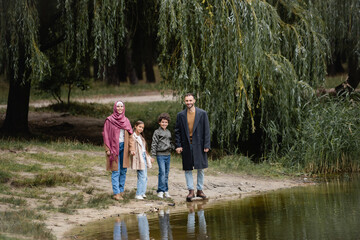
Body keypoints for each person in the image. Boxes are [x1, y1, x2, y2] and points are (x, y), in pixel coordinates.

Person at [175, 93, 210, 201]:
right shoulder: (180, 115)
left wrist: (206, 145)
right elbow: (177, 131)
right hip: (186, 144)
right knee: (188, 168)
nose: (188, 102)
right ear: (184, 102)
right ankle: (191, 191)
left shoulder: (202, 113)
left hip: (199, 144)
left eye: (190, 100)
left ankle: (200, 190)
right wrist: (178, 145)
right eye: (186, 101)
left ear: (194, 101)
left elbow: (206, 130)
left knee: (200, 168)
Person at [103, 101, 135, 201]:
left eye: (121, 106)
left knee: (123, 170)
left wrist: (132, 148)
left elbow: (130, 136)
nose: (120, 108)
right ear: (115, 108)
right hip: (114, 148)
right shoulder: (109, 120)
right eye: (118, 106)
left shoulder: (126, 121)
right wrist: (107, 148)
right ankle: (116, 193)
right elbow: (106, 135)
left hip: (124, 148)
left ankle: (121, 191)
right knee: (115, 170)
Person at [151, 113, 174, 198]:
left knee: (167, 173)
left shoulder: (168, 132)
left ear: (168, 123)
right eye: (163, 122)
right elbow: (154, 144)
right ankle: (160, 191)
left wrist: (175, 148)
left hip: (168, 155)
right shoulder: (157, 132)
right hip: (160, 155)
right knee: (162, 172)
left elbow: (170, 143)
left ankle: (166, 190)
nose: (164, 124)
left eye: (166, 122)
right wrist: (153, 156)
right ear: (159, 123)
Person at [131, 120, 154, 200]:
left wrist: (149, 157)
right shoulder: (133, 136)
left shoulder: (141, 137)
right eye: (139, 127)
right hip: (138, 157)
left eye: (142, 128)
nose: (141, 129)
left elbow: (144, 149)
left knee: (145, 176)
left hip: (144, 156)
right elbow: (132, 147)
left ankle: (143, 192)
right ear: (135, 126)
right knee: (142, 176)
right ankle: (138, 194)